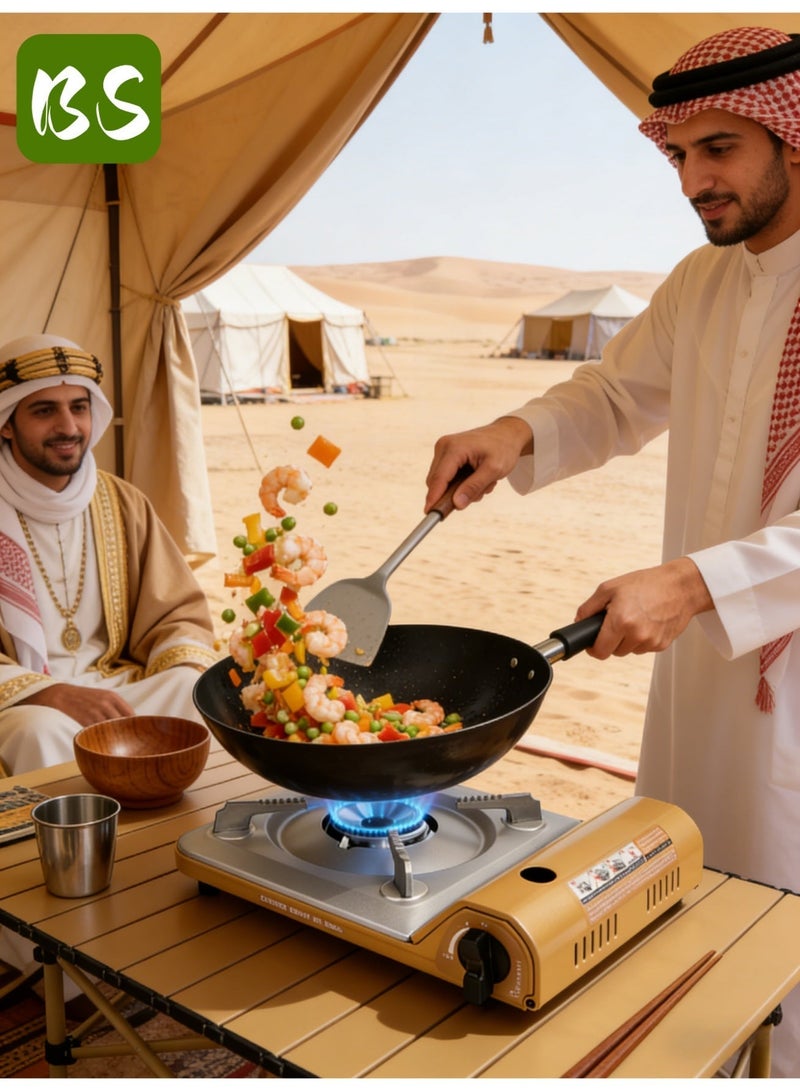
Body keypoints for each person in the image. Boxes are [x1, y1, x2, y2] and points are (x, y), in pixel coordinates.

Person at [424, 26, 800, 1078]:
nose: (690, 180)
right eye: (674, 155)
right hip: (694, 673)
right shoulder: (701, 279)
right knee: (687, 905)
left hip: (786, 676)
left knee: (782, 951)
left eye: (717, 149)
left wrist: (690, 579)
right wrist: (514, 433)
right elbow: (615, 393)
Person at [0, 333, 218, 773]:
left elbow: (178, 612)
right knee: (38, 731)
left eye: (78, 408)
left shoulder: (120, 501)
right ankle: (77, 839)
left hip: (116, 684)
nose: (68, 427)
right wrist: (46, 692)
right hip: (21, 700)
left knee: (190, 686)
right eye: (45, 411)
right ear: (6, 423)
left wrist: (178, 664)